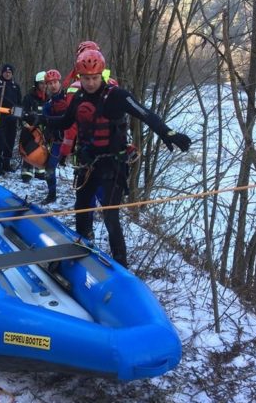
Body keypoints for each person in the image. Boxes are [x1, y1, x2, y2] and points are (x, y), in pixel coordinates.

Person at [24, 50, 191, 267]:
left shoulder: (116, 95)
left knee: (111, 216)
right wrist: (41, 119)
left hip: (114, 165)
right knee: (81, 208)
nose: (91, 83)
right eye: (86, 78)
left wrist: (168, 133)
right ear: (79, 78)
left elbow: (145, 113)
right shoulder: (78, 98)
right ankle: (81, 250)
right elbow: (64, 122)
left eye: (95, 78)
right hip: (88, 165)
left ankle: (121, 264)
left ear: (101, 74)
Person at [40, 69, 73, 204]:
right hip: (58, 141)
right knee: (49, 168)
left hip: (75, 140)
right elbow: (45, 121)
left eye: (55, 82)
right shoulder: (48, 105)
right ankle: (52, 195)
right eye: (50, 83)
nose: (53, 85)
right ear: (46, 85)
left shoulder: (70, 98)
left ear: (60, 83)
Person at [0, 64, 22, 174]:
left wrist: (17, 117)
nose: (7, 74)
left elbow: (19, 103)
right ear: (2, 73)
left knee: (10, 141)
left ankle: (6, 164)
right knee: (0, 142)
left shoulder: (15, 87)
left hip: (12, 119)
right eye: (6, 72)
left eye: (9, 72)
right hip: (0, 118)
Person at [20, 71, 47, 183]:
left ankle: (40, 171)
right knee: (29, 149)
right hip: (30, 129)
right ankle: (27, 171)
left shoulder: (48, 98)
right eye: (41, 83)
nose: (44, 86)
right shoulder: (28, 98)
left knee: (42, 149)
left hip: (43, 129)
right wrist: (25, 122)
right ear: (36, 84)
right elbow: (20, 112)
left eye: (46, 83)